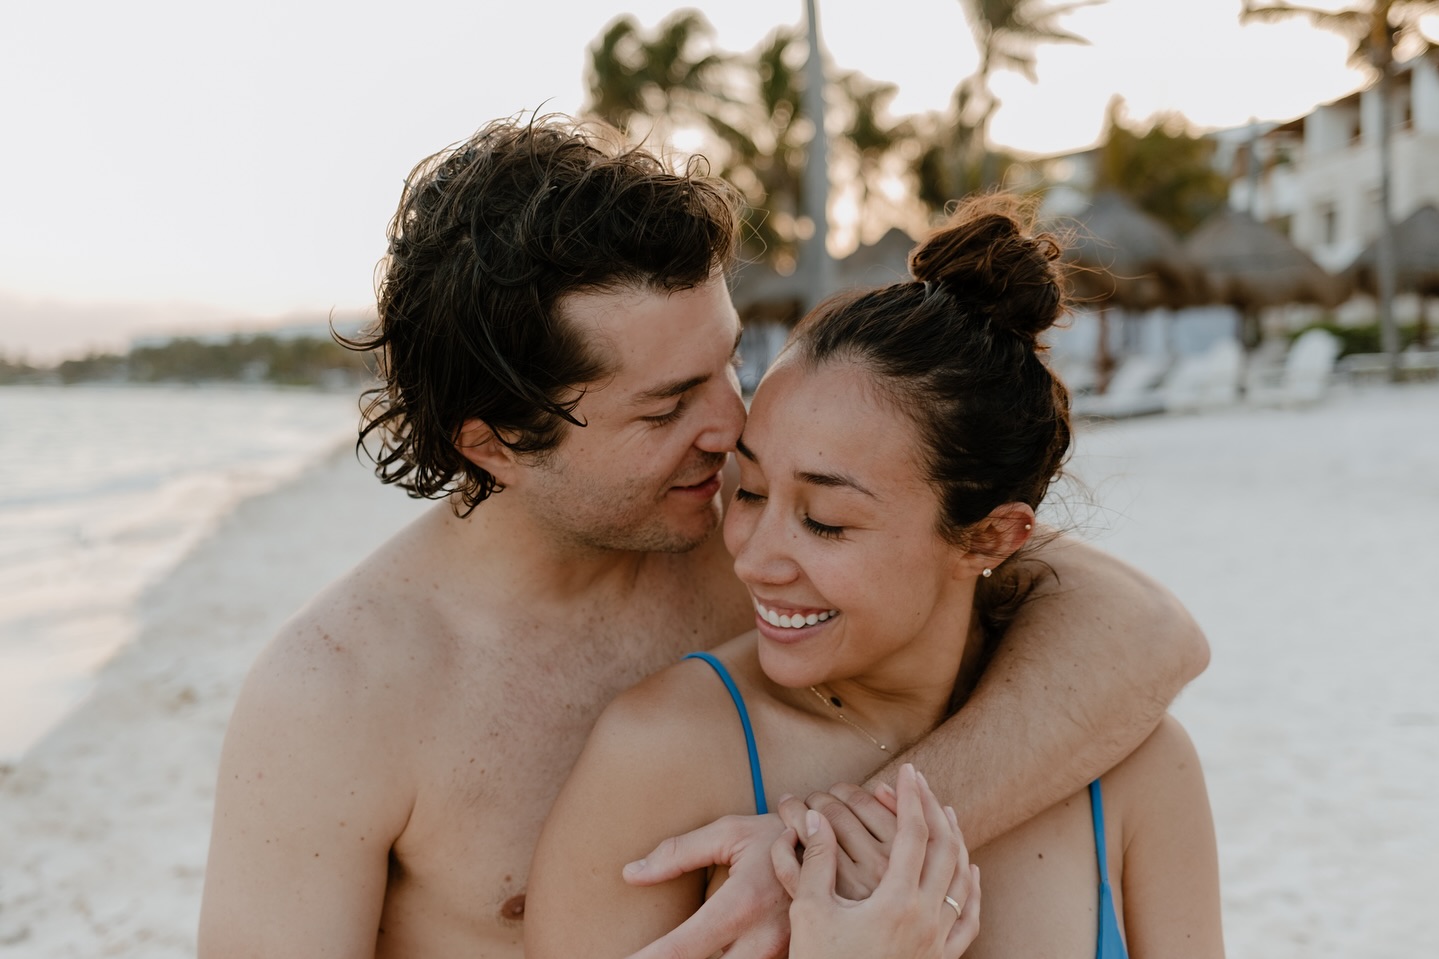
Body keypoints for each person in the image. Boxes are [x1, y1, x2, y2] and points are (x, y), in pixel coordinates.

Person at [197, 117, 1209, 959]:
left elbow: (1147, 632)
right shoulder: (338, 697)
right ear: (496, 442)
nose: (730, 424)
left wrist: (833, 847)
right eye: (668, 404)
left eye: (730, 362)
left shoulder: (756, 519)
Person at [525, 200, 1223, 959]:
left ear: (991, 536)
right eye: (750, 491)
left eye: (825, 520)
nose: (754, 559)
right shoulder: (661, 757)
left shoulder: (1136, 769)